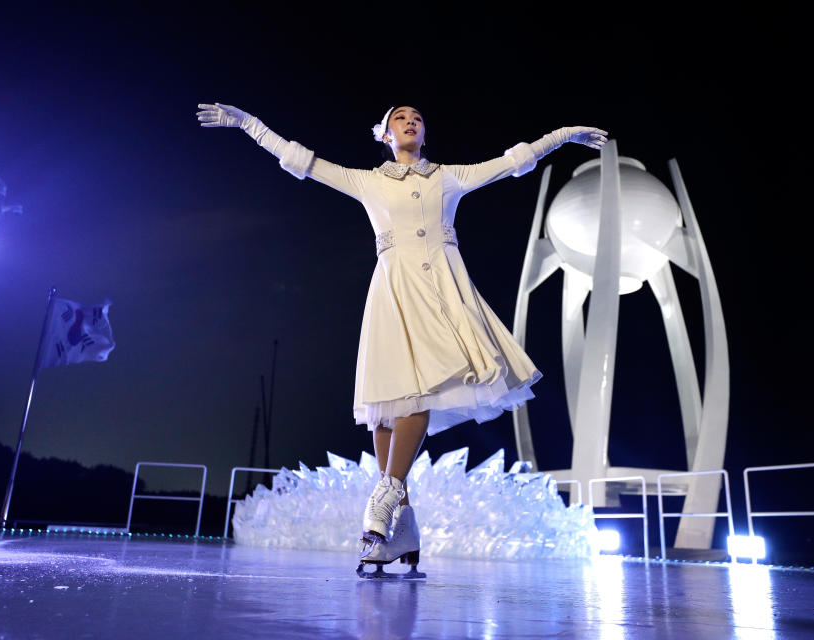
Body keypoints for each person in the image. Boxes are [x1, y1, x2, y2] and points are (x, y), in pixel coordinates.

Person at [197, 102, 607, 577]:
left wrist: (561, 134)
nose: (410, 122)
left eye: (417, 117)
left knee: (418, 391)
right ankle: (404, 531)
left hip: (441, 293)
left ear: (424, 132)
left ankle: (383, 498)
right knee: (385, 413)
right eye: (400, 118)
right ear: (385, 135)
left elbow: (511, 163)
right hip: (393, 293)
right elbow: (302, 161)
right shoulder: (367, 181)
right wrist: (249, 124)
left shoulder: (447, 177)